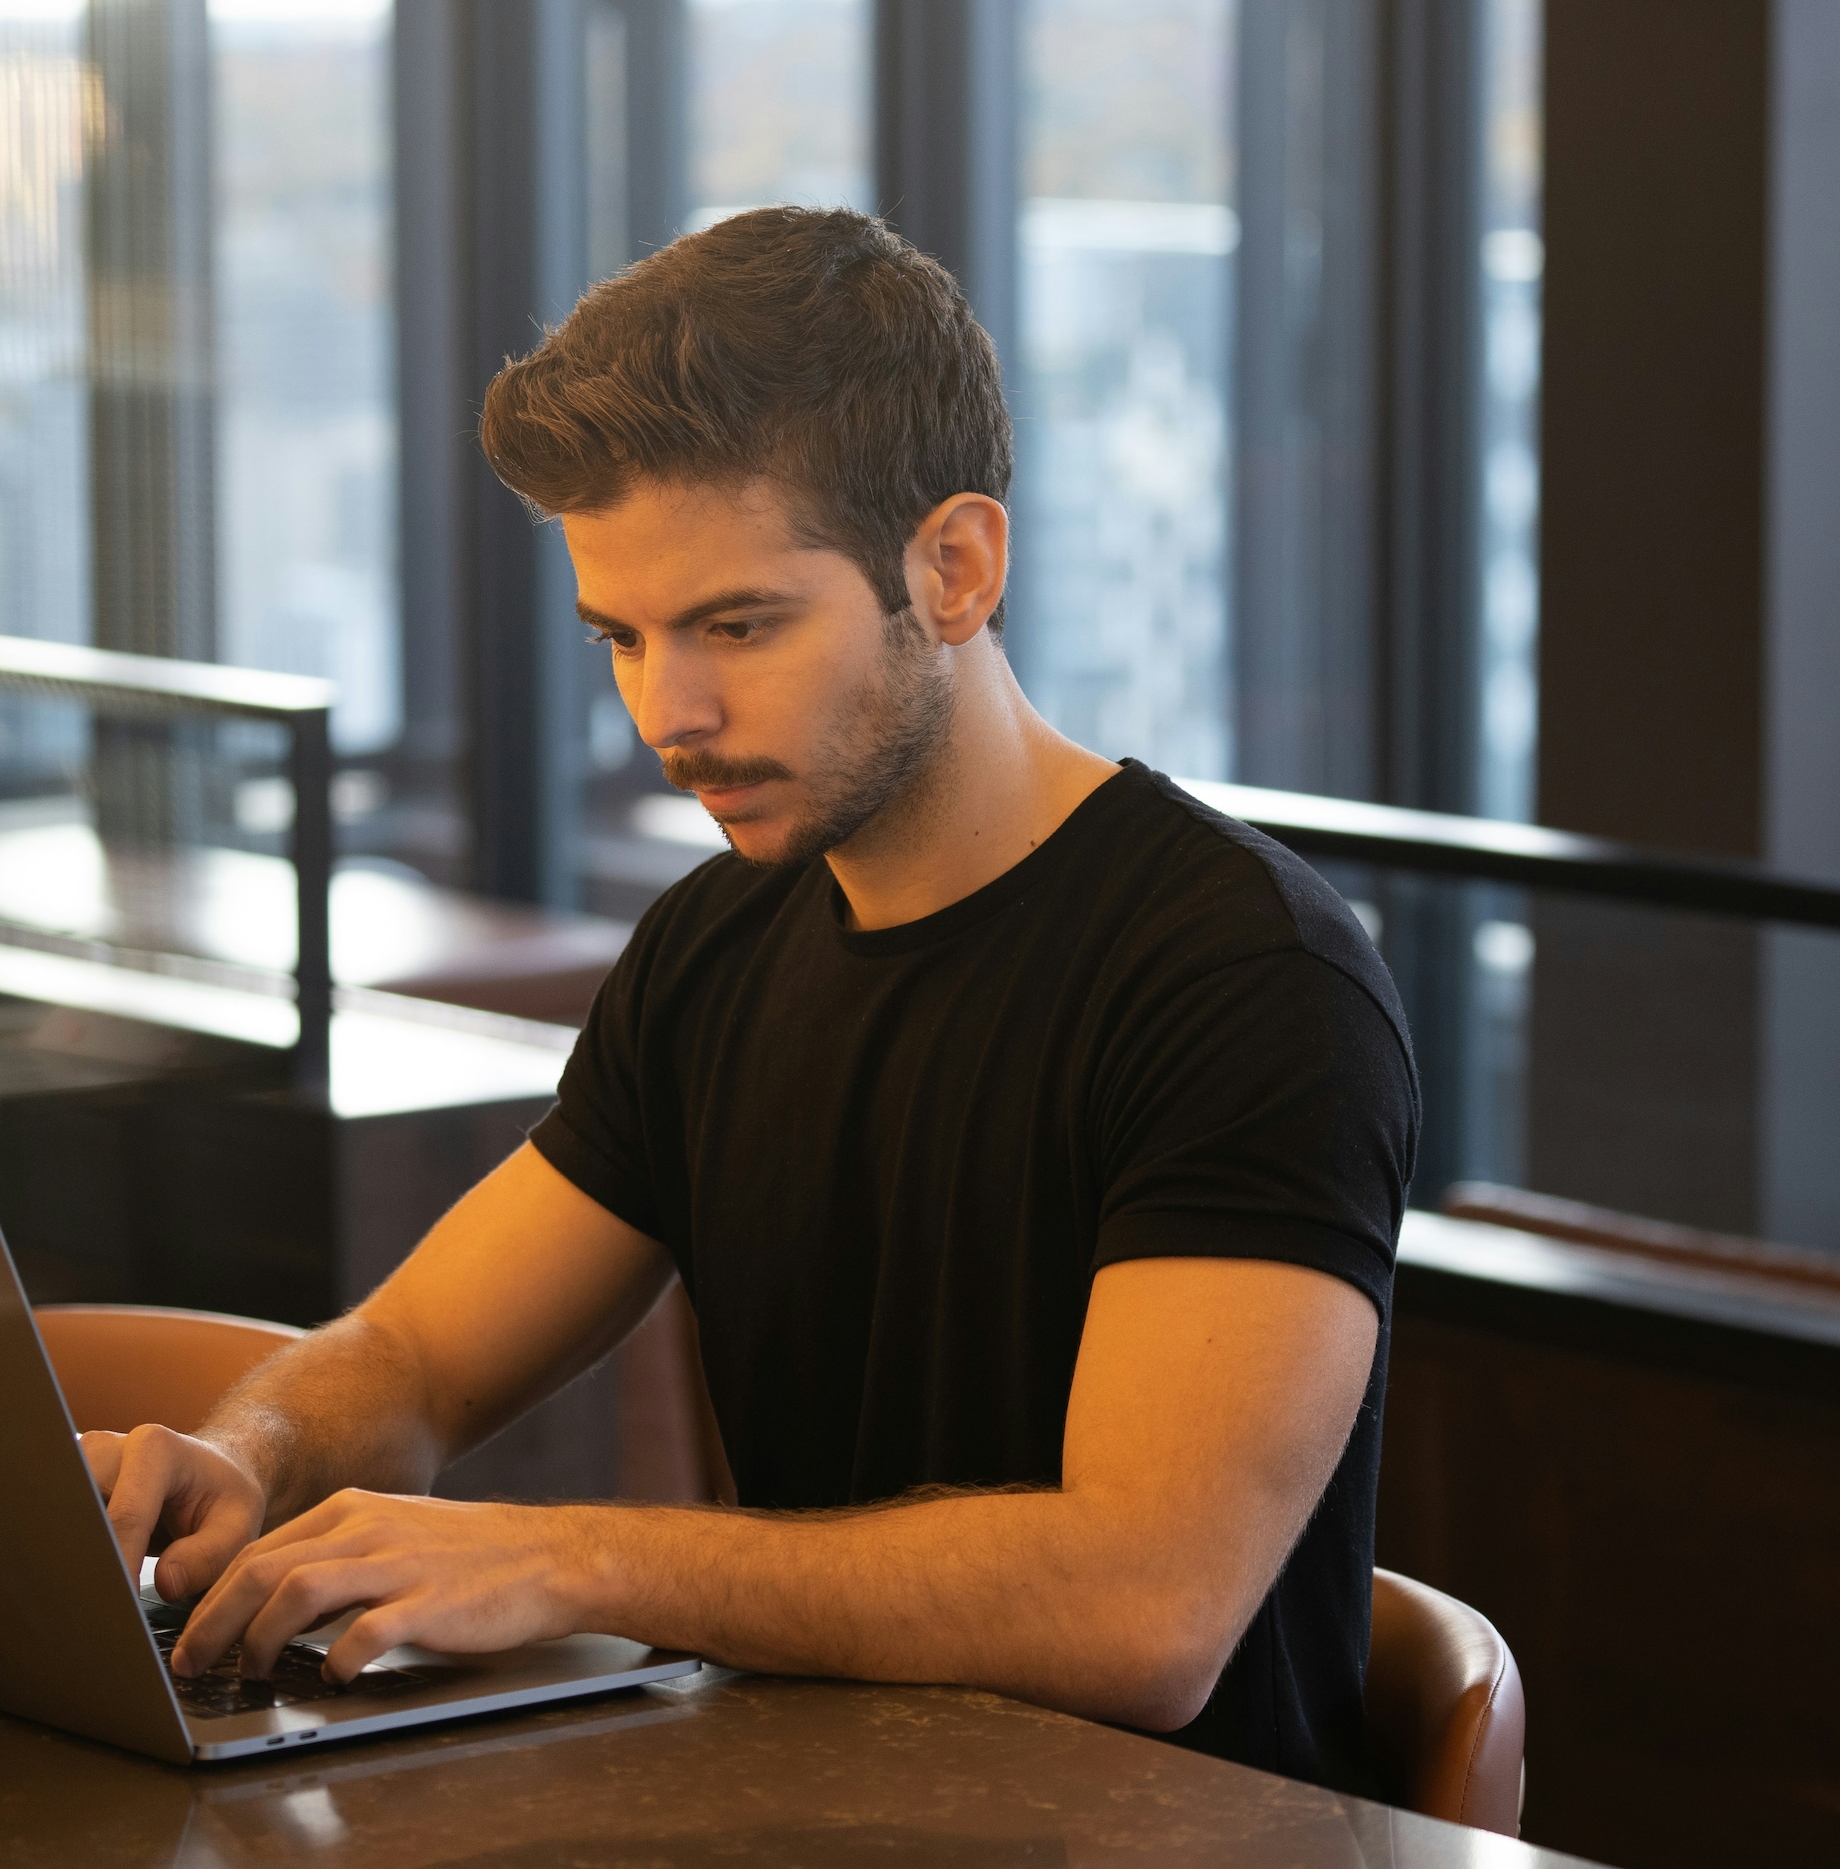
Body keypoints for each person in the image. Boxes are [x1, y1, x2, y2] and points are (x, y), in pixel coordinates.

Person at [87, 207, 1416, 1793]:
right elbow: (418, 1359)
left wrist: (574, 1560)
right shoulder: (713, 947)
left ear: (955, 569)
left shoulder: (1248, 978)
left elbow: (1143, 1609)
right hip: (813, 1807)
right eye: (623, 639)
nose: (670, 713)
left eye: (737, 625)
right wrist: (244, 1455)